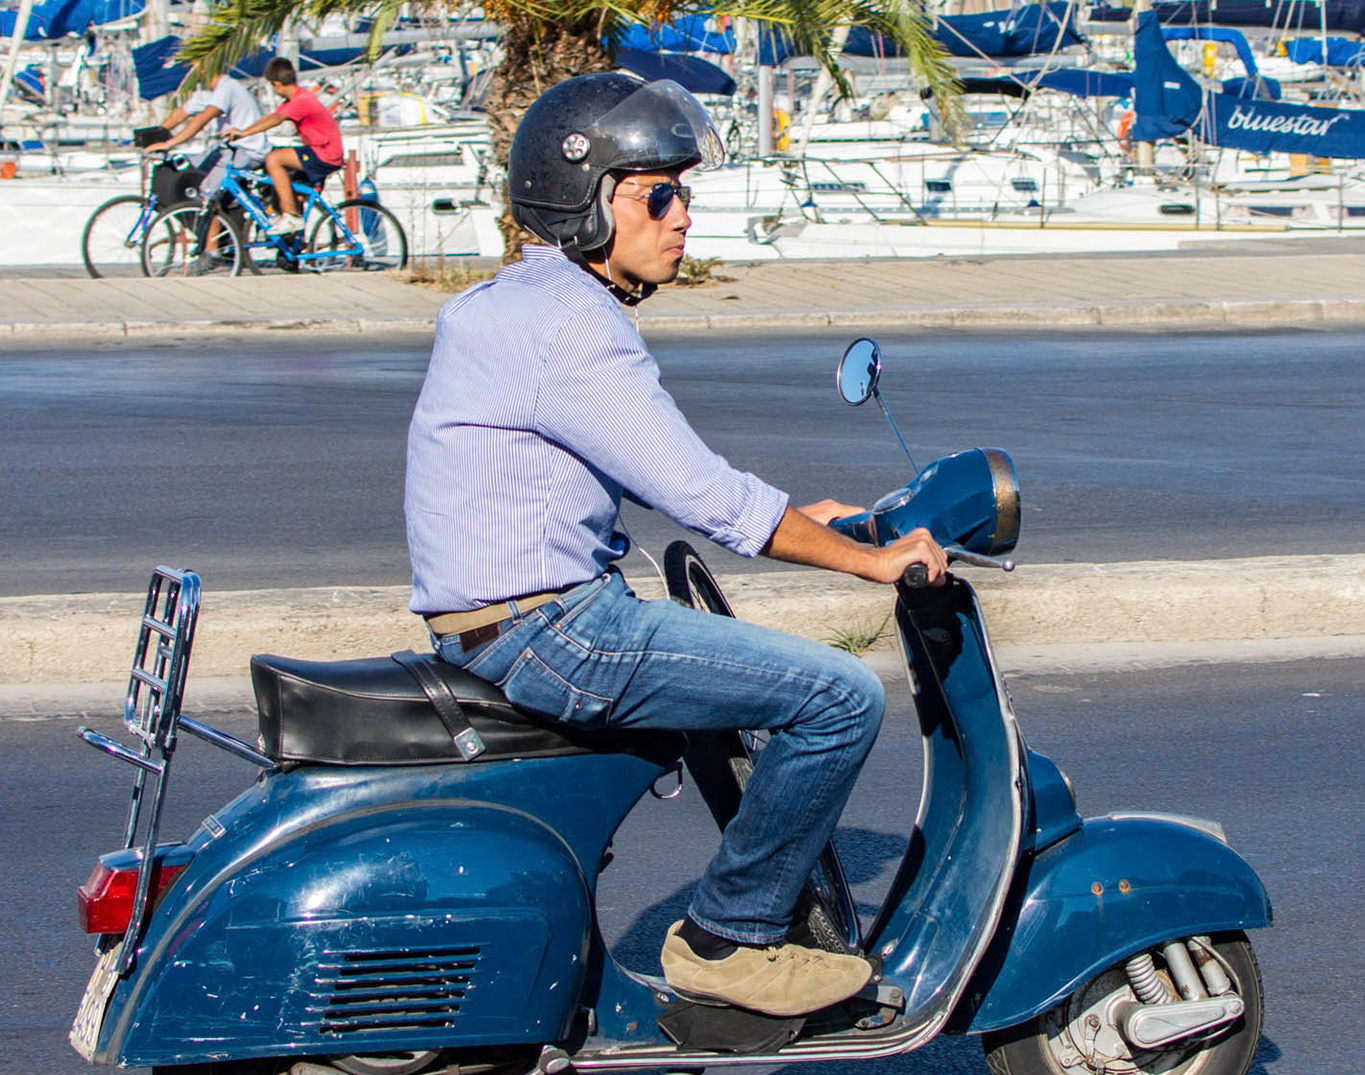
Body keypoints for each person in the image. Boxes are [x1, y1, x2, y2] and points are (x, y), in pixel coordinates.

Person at [403, 72, 947, 1021]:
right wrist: (867, 560)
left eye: (683, 192)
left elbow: (619, 471)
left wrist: (807, 520)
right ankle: (729, 940)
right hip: (554, 630)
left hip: (510, 621)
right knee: (838, 694)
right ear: (585, 202)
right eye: (658, 194)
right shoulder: (573, 323)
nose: (683, 216)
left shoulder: (510, 302)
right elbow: (702, 494)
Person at [222, 57, 343, 236]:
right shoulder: (294, 100)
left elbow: (276, 120)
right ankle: (294, 246)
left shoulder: (301, 100)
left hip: (325, 154)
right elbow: (269, 118)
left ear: (277, 84)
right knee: (294, 195)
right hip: (320, 152)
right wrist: (242, 131)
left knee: (274, 158)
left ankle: (290, 217)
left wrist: (244, 134)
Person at [142, 71, 271, 198]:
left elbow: (203, 118)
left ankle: (215, 216)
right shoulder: (206, 90)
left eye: (195, 66)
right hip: (227, 149)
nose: (190, 71)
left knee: (208, 193)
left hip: (246, 149)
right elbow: (181, 114)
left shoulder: (227, 86)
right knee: (190, 171)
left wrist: (168, 144)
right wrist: (154, 137)